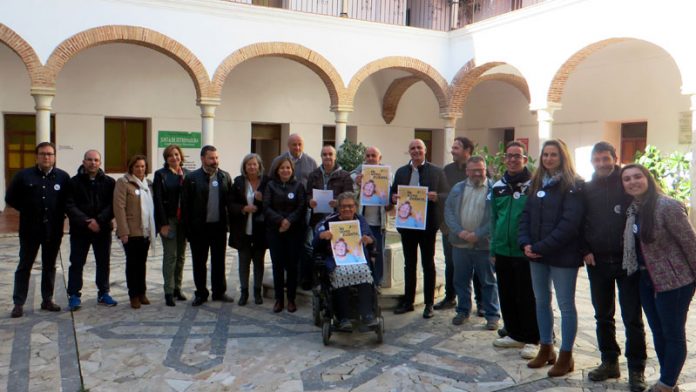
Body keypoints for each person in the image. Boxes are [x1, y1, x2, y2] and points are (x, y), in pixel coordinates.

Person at [621, 164, 696, 392]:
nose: (633, 181)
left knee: (673, 334)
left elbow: (690, 244)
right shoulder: (634, 209)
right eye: (627, 179)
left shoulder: (667, 205)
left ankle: (665, 384)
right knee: (659, 332)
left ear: (648, 178)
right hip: (646, 280)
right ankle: (669, 381)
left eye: (637, 176)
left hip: (674, 282)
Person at [582, 142, 646, 391]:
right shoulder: (587, 189)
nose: (601, 164)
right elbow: (580, 221)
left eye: (605, 159)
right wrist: (584, 249)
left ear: (614, 158)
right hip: (597, 262)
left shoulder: (627, 184)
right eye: (596, 160)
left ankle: (636, 368)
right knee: (602, 316)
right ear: (592, 162)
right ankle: (609, 361)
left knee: (632, 317)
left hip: (626, 262)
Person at [519, 139, 584, 377]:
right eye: (545, 155)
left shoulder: (574, 185)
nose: (548, 159)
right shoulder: (536, 183)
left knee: (566, 306)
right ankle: (546, 347)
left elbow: (570, 224)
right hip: (537, 253)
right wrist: (525, 243)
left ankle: (566, 355)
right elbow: (525, 215)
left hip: (562, 255)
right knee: (541, 301)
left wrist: (541, 247)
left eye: (553, 155)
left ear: (563, 157)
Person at [6, 142, 70, 318]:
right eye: (42, 154)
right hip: (29, 230)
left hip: (53, 230)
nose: (46, 157)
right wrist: (28, 210)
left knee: (49, 266)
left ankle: (47, 299)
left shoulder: (63, 178)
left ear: (54, 157)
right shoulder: (23, 176)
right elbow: (10, 198)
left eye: (50, 154)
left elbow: (67, 201)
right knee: (24, 265)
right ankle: (18, 303)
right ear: (37, 156)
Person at [490, 141, 540, 360]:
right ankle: (514, 333)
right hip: (502, 249)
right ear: (504, 159)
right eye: (509, 156)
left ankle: (532, 339)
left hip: (525, 251)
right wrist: (493, 248)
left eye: (517, 156)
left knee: (527, 296)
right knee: (507, 294)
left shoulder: (534, 185)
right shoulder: (497, 186)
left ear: (525, 159)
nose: (513, 160)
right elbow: (493, 219)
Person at [390, 139, 448, 318]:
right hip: (407, 227)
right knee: (409, 264)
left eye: (419, 148)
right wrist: (393, 198)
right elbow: (393, 194)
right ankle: (408, 302)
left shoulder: (437, 171)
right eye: (412, 148)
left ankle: (429, 304)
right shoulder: (401, 172)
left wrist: (436, 196)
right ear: (409, 152)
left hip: (427, 226)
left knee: (428, 264)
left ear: (425, 150)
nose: (416, 151)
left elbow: (448, 194)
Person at [444, 156, 500, 330]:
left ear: (485, 170)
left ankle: (492, 315)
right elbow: (449, 212)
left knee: (488, 281)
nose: (477, 173)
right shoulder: (457, 189)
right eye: (473, 170)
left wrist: (478, 234)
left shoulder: (494, 189)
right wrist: (460, 231)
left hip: (484, 245)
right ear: (467, 171)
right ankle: (463, 311)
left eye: (480, 170)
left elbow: (495, 216)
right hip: (460, 244)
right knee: (460, 280)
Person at [314, 192, 377, 331]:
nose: (347, 209)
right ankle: (344, 317)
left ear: (355, 207)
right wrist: (321, 235)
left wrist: (369, 239)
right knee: (341, 274)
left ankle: (367, 314)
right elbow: (316, 238)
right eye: (343, 206)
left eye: (350, 206)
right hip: (336, 260)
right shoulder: (329, 221)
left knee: (365, 273)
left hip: (357, 259)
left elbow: (372, 238)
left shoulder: (360, 220)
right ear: (338, 208)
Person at [182, 145, 234, 306]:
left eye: (216, 158)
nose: (215, 161)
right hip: (199, 229)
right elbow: (185, 206)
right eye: (211, 158)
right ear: (203, 159)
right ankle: (201, 293)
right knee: (199, 263)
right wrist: (187, 231)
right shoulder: (191, 178)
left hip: (218, 228)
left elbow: (230, 204)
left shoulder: (225, 177)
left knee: (219, 261)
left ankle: (219, 292)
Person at [436, 136, 483, 314]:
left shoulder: (480, 168)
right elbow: (444, 194)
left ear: (467, 150)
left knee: (478, 266)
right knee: (451, 264)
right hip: (451, 227)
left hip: (475, 228)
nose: (452, 151)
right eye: (453, 147)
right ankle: (450, 297)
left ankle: (482, 303)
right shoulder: (446, 170)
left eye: (456, 148)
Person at [66, 149, 117, 311]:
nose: (92, 163)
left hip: (102, 230)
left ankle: (103, 293)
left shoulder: (109, 182)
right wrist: (86, 221)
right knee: (76, 263)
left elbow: (113, 205)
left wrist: (100, 220)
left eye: (96, 160)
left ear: (100, 163)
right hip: (80, 230)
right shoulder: (73, 183)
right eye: (89, 159)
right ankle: (74, 295)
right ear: (83, 162)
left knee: (103, 262)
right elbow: (69, 205)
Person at [271, 134, 317, 290]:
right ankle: (288, 277)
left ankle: (303, 278)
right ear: (288, 145)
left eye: (299, 144)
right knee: (284, 248)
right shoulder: (278, 160)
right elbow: (272, 181)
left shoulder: (311, 162)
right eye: (294, 144)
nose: (297, 147)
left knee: (304, 245)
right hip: (281, 213)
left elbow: (313, 186)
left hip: (302, 211)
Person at [264, 156, 306, 313]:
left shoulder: (298, 186)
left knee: (292, 267)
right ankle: (279, 300)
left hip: (294, 232)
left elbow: (302, 206)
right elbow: (266, 207)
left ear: (292, 170)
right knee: (277, 266)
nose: (285, 170)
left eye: (288, 168)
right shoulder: (270, 186)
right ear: (277, 170)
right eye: (282, 168)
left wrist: (288, 221)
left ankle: (291, 300)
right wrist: (281, 221)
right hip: (275, 232)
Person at [113, 155, 156, 309]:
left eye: (143, 166)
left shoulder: (148, 184)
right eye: (137, 166)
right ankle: (133, 295)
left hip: (145, 230)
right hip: (131, 231)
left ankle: (142, 292)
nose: (140, 169)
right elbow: (119, 208)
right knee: (132, 264)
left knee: (142, 263)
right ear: (131, 167)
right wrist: (123, 231)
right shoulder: (123, 183)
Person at [153, 145, 191, 307]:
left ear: (181, 156)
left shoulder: (188, 174)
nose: (174, 158)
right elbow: (158, 201)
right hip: (169, 220)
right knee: (171, 256)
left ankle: (177, 288)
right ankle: (168, 291)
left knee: (181, 256)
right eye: (170, 156)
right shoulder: (161, 175)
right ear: (166, 158)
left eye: (176, 154)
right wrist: (162, 224)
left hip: (184, 221)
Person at [229, 153, 269, 306]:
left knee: (259, 262)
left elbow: (273, 203)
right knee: (243, 262)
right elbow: (230, 204)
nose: (252, 167)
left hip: (260, 230)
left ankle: (257, 292)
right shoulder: (239, 182)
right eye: (249, 164)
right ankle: (244, 292)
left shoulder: (266, 182)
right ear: (244, 167)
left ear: (259, 166)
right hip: (243, 230)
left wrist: (262, 199)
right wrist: (244, 208)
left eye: (254, 164)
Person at [351, 146, 389, 286]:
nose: (371, 158)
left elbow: (390, 200)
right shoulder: (357, 174)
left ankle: (376, 282)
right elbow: (351, 199)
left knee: (378, 253)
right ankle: (361, 282)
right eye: (368, 156)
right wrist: (357, 184)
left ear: (380, 158)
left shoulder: (386, 174)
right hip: (361, 222)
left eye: (374, 155)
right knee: (360, 253)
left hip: (379, 223)